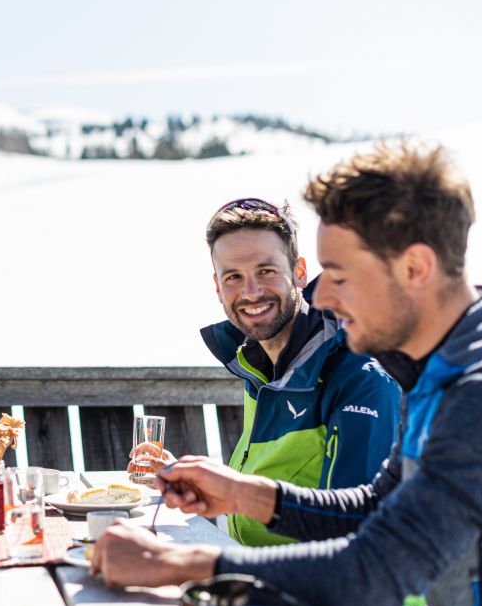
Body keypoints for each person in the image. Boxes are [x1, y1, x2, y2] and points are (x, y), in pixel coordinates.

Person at [93, 144, 482, 606]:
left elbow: (378, 568)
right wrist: (242, 493)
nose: (323, 298)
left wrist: (182, 562)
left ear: (415, 269)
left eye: (339, 275)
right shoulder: (435, 366)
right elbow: (376, 508)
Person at [129, 198, 401, 547]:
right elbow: (270, 498)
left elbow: (357, 537)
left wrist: (207, 568)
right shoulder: (260, 367)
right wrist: (196, 482)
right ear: (217, 288)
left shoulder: (360, 380)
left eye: (266, 271)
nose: (251, 292)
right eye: (233, 277)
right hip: (265, 575)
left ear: (299, 273)